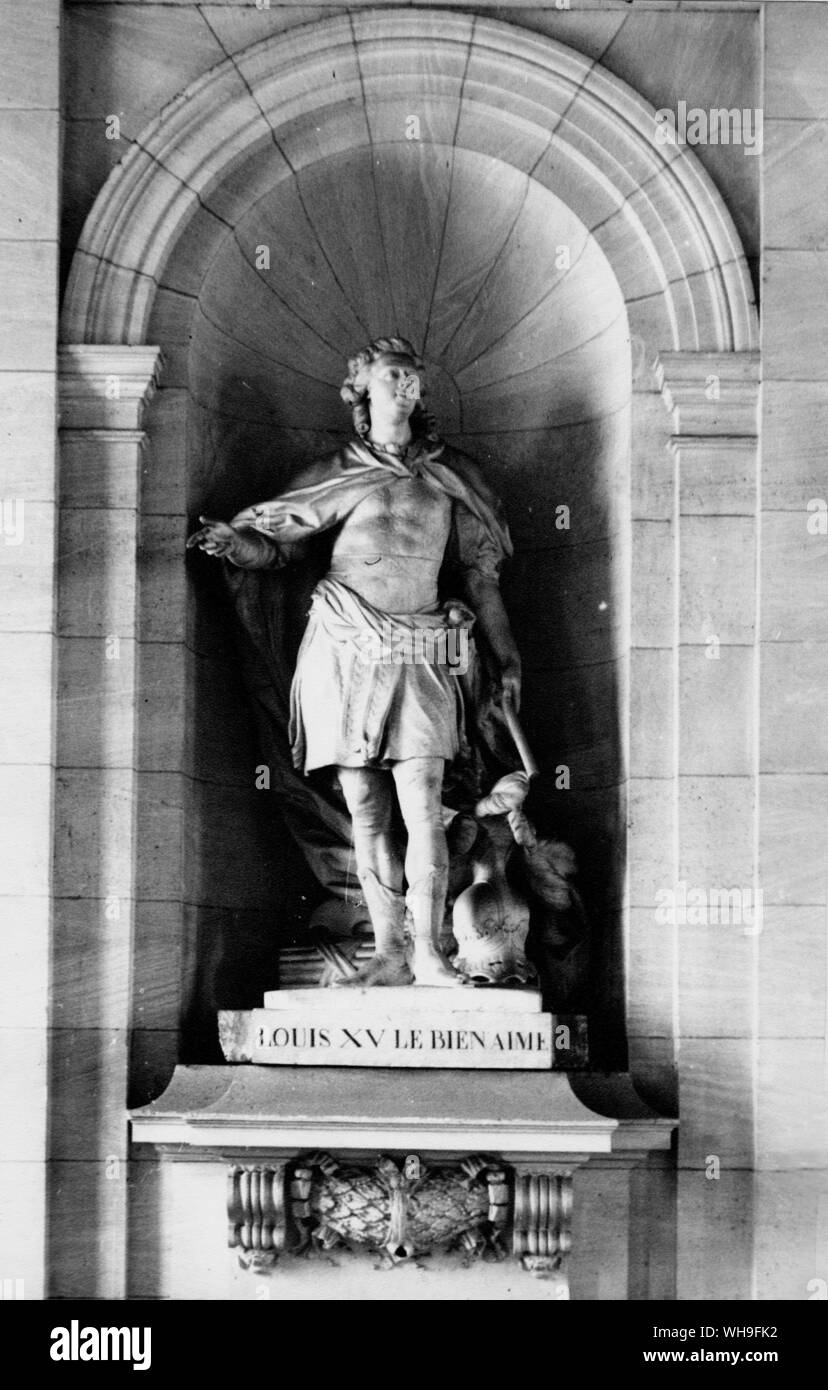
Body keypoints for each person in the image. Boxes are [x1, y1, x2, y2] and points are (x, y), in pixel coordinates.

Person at [187, 337, 521, 986]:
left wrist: (505, 657)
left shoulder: (454, 476)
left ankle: (429, 952)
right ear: (362, 389)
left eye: (413, 376)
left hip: (421, 648)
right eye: (392, 374)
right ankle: (388, 954)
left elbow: (483, 579)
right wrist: (237, 546)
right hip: (344, 646)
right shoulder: (336, 469)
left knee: (422, 803)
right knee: (366, 806)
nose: (406, 385)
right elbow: (278, 547)